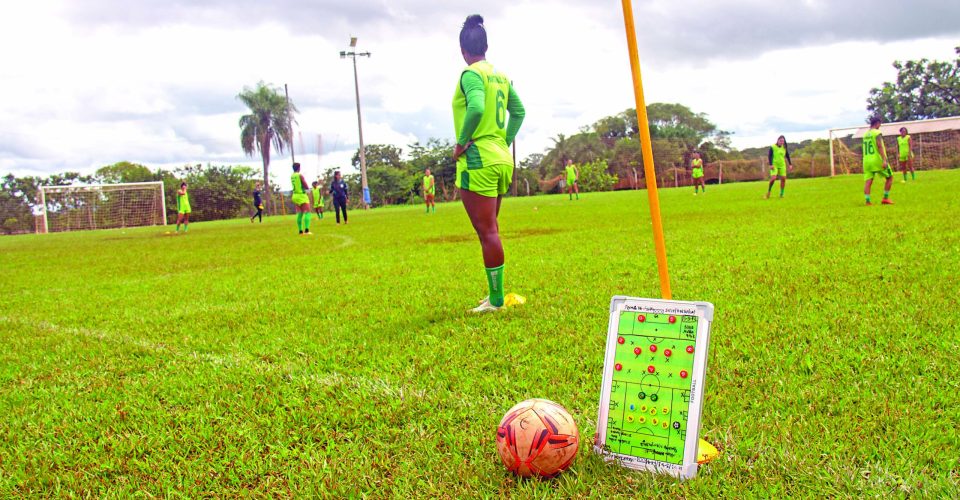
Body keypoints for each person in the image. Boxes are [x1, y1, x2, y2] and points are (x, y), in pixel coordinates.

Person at [452, 14, 526, 313]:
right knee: (491, 229)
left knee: (488, 232)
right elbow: (518, 112)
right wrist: (501, 141)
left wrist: (461, 142)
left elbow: (477, 107)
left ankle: (496, 302)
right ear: (486, 46)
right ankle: (494, 297)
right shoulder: (501, 76)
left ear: (463, 50)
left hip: (479, 160)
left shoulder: (471, 75)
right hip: (501, 159)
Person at [863, 117, 894, 205]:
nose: (880, 126)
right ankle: (885, 198)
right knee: (890, 177)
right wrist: (884, 160)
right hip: (877, 160)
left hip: (866, 160)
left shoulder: (865, 134)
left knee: (868, 181)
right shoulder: (877, 133)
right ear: (877, 123)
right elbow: (879, 146)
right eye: (880, 124)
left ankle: (868, 201)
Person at [291, 163, 312, 235]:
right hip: (301, 195)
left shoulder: (292, 176)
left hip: (295, 195)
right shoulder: (299, 175)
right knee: (307, 212)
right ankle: (307, 230)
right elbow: (305, 184)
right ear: (299, 168)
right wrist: (308, 189)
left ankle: (300, 231)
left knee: (300, 213)